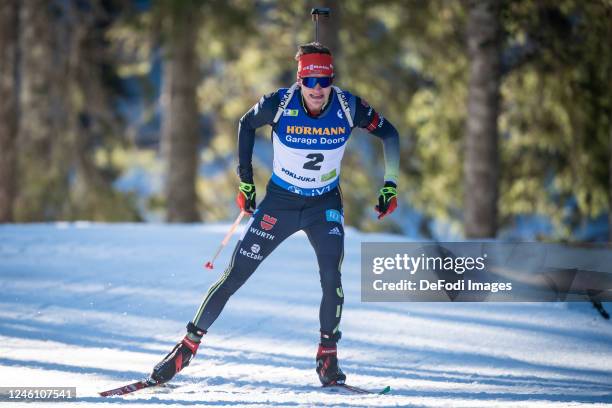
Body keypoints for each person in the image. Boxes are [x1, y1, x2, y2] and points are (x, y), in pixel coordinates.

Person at [150, 42, 400, 386]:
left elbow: (390, 133)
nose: (317, 91)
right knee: (235, 274)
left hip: (323, 204)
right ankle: (186, 348)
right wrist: (246, 182)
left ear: (331, 80)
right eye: (310, 83)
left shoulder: (348, 106)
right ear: (299, 81)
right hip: (280, 203)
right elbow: (245, 125)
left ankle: (327, 357)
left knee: (332, 277)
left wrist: (390, 185)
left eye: (323, 82)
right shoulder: (278, 104)